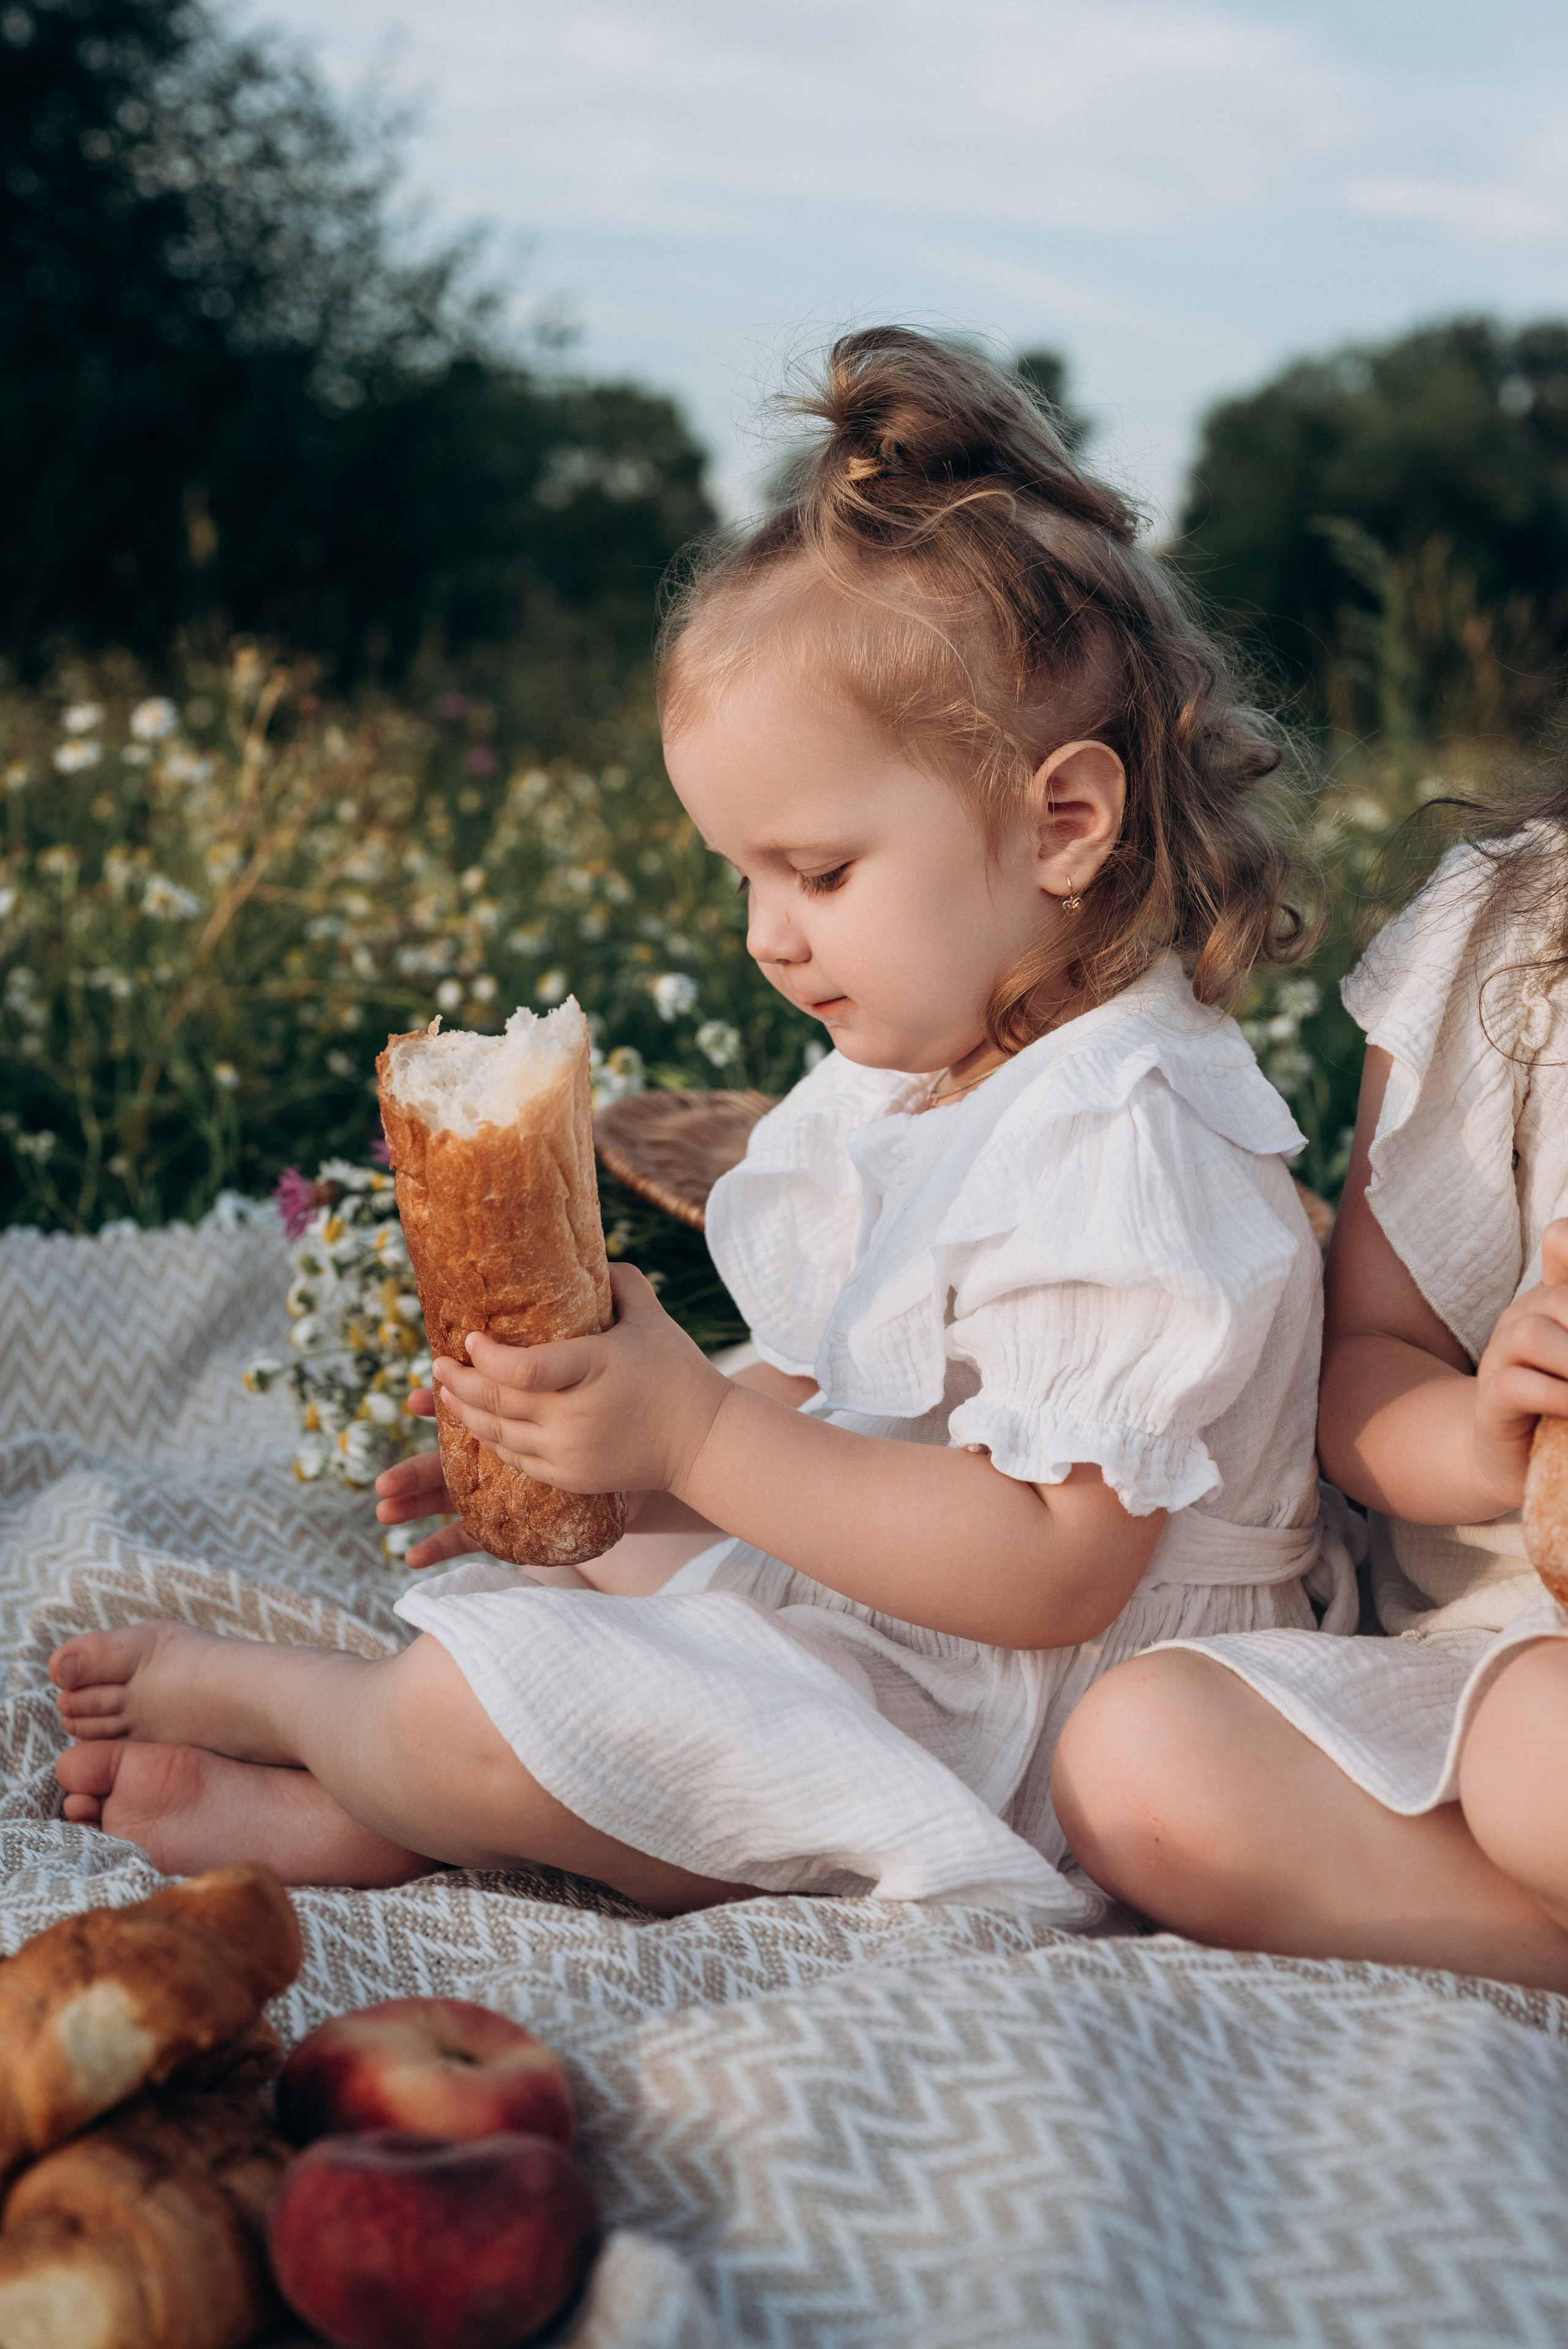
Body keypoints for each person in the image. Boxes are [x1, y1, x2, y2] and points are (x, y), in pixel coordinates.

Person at [49, 327, 1339, 1918]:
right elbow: (836, 1381)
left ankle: (338, 1729)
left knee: (483, 1700)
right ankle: (420, 1798)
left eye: (820, 873)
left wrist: (702, 1441)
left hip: (1049, 1719)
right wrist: (627, 1461)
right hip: (917, 1628)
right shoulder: (934, 1066)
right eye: (744, 875)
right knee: (601, 1557)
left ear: (1062, 822)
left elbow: (1053, 1565)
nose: (766, 936)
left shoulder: (1123, 1134)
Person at [1053, 810, 1568, 1991]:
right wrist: (1487, 1439)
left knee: (1537, 1757)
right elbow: (1372, 1364)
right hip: (1497, 1653)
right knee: (1144, 1761)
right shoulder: (1519, 925)